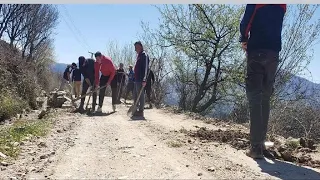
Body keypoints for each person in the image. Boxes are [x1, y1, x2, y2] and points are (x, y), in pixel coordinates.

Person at [240, 4, 286, 159]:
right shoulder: (283, 4)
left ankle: (256, 147)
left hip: (257, 51)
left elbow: (245, 23)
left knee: (255, 98)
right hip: (274, 54)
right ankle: (261, 144)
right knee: (265, 98)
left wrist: (244, 39)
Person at [133, 41, 149, 117]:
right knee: (136, 95)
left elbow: (146, 68)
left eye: (136, 47)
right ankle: (136, 109)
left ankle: (141, 111)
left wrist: (144, 79)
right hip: (136, 79)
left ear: (140, 46)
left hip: (141, 79)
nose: (135, 49)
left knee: (141, 95)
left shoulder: (144, 55)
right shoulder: (139, 55)